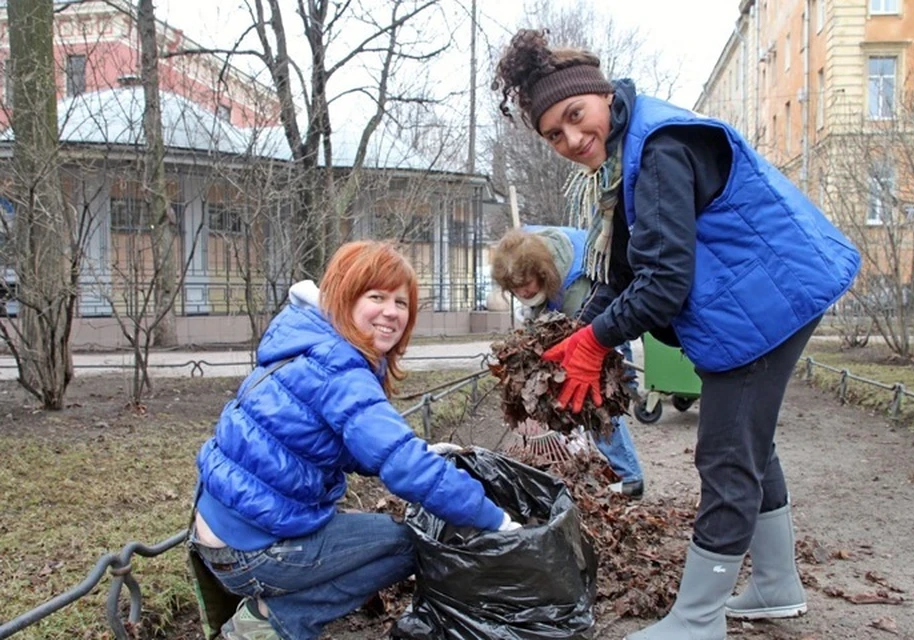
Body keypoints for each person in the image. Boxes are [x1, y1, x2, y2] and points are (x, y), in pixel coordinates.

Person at [492, 30, 860, 639]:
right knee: (748, 445)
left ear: (601, 96)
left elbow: (664, 283)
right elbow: (627, 265)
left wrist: (595, 342)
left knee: (725, 454)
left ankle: (697, 620)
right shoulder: (623, 156)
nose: (572, 139)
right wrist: (581, 327)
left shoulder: (657, 149)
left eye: (576, 117)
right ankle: (774, 585)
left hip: (771, 296)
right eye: (554, 134)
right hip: (762, 291)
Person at [189, 241, 521, 640]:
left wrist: (421, 453)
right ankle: (269, 622)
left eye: (401, 302)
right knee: (410, 545)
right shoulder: (338, 367)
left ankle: (268, 611)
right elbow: (404, 467)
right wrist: (495, 520)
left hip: (220, 531)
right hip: (252, 549)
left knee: (383, 533)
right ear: (345, 298)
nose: (391, 312)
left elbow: (331, 439)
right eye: (376, 297)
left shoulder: (309, 341)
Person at [491, 225, 645, 498]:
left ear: (543, 273)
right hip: (583, 319)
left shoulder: (576, 283)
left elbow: (580, 330)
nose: (522, 292)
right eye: (515, 289)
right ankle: (594, 463)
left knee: (595, 400)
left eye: (526, 285)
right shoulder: (520, 251)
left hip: (603, 324)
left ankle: (629, 478)